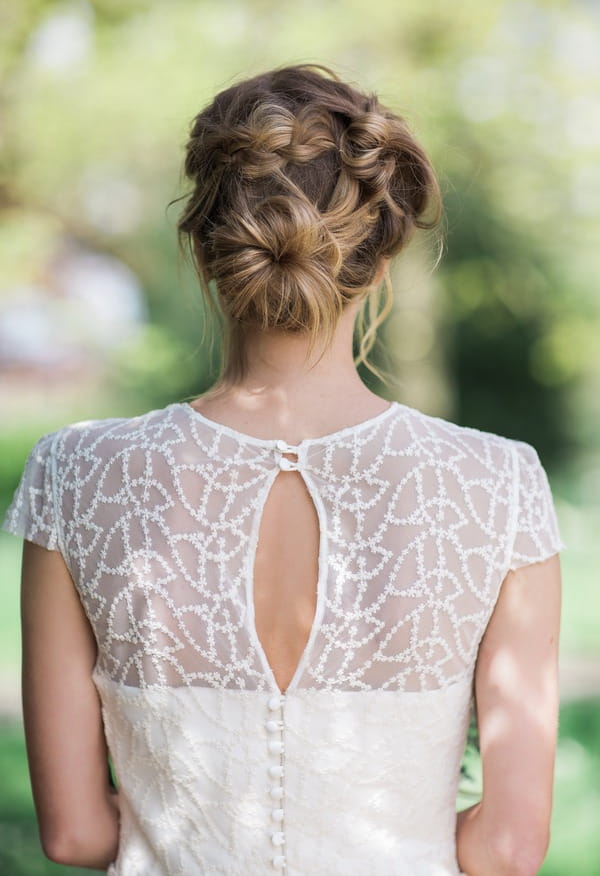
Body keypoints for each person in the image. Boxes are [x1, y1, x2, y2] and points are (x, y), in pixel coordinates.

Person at [2, 64, 563, 875]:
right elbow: (508, 850)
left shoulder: (75, 477)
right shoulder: (499, 484)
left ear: (205, 250)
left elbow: (76, 834)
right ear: (379, 262)